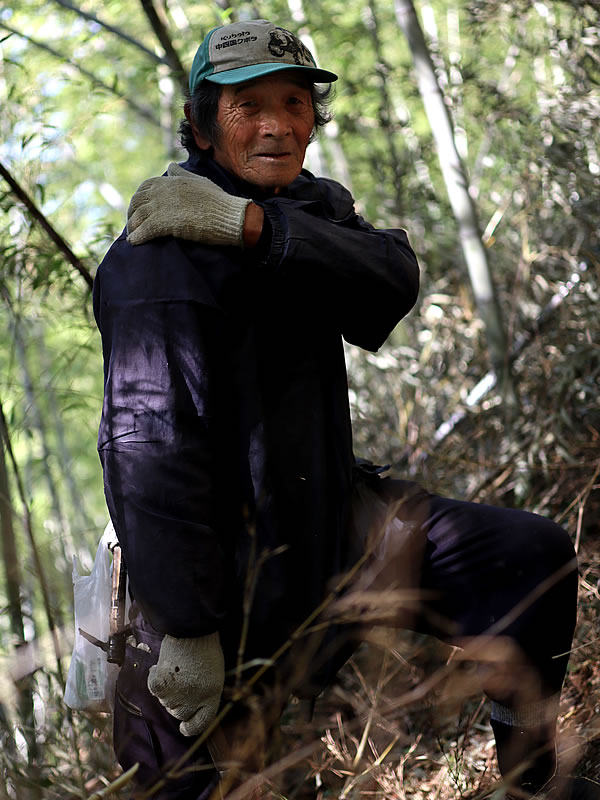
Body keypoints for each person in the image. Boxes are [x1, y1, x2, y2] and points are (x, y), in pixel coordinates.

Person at [93, 19, 597, 800]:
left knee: (523, 554)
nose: (276, 124)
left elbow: (387, 284)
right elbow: (148, 447)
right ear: (198, 122)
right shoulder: (157, 254)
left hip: (326, 526)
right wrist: (188, 624)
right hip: (204, 572)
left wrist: (253, 229)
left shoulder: (306, 210)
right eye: (245, 104)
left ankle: (536, 781)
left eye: (294, 102)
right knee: (180, 776)